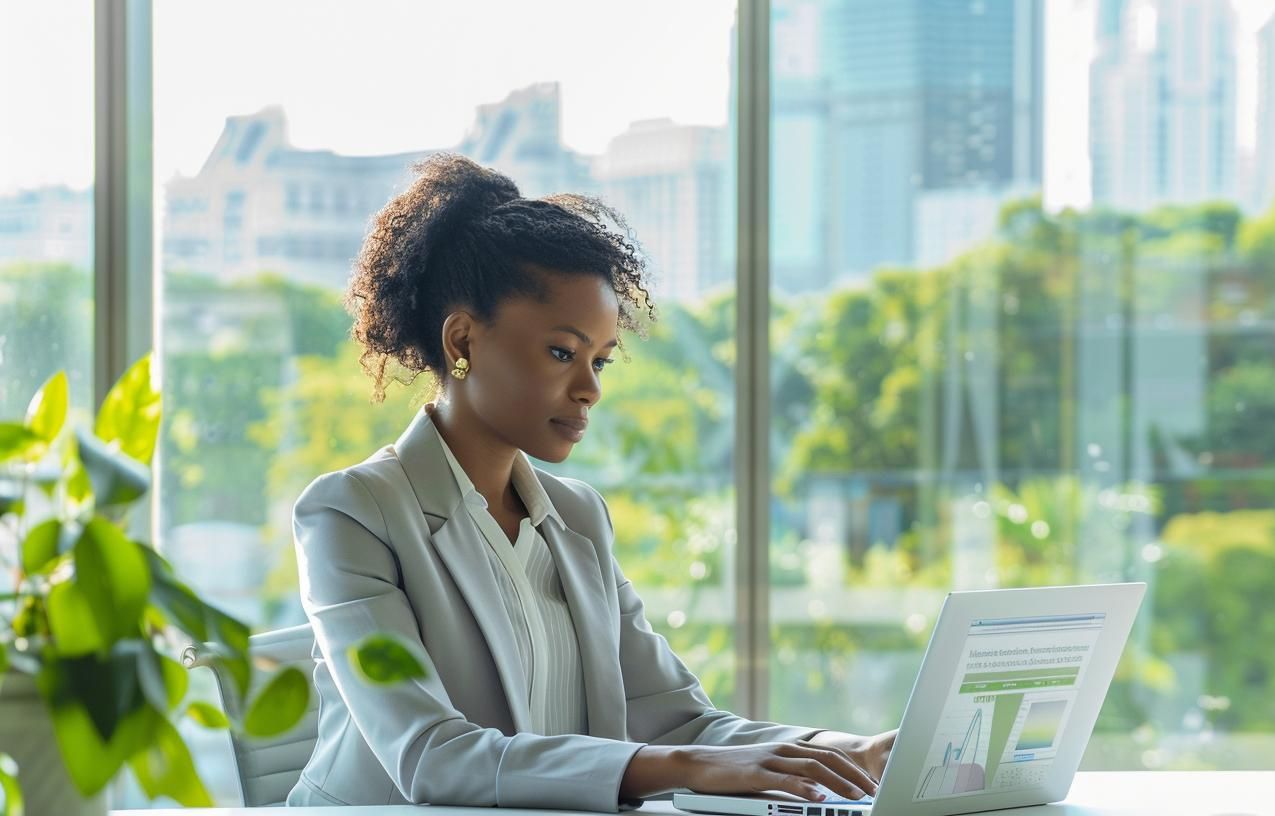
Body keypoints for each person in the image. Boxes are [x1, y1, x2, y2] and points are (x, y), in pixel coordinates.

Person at [287, 153, 895, 810]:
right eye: (561, 353)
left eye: (600, 361)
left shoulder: (576, 518)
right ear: (462, 340)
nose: (589, 389)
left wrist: (849, 752)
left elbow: (680, 724)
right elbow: (432, 756)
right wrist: (685, 765)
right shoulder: (352, 513)